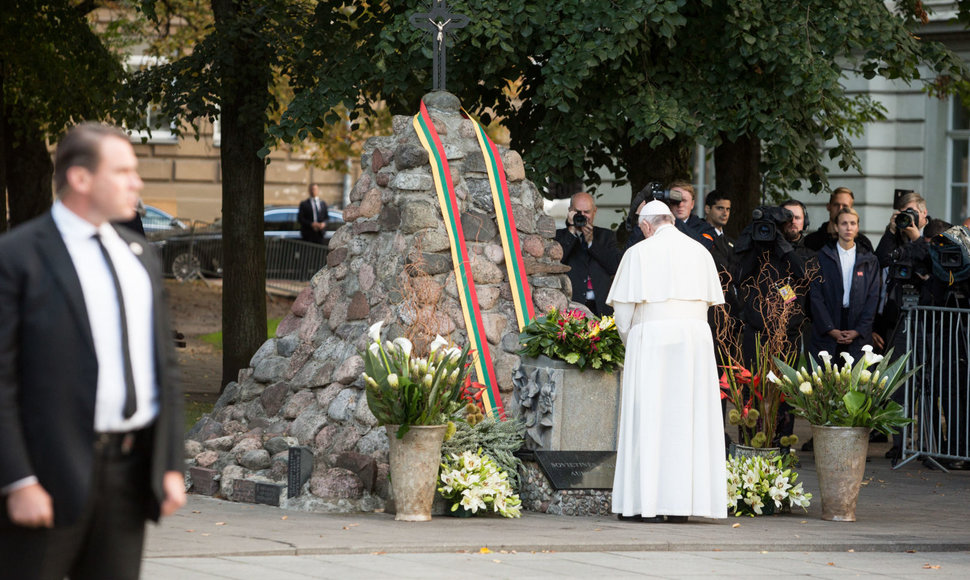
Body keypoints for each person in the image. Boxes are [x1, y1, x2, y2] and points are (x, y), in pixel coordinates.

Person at [0, 123, 185, 579]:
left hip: (128, 477)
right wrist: (18, 480)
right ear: (80, 179)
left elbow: (164, 368)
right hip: (45, 475)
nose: (136, 182)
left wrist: (169, 464)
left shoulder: (140, 255)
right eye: (122, 171)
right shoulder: (18, 257)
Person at [607, 200, 727, 524]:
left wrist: (630, 342)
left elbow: (621, 316)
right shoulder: (701, 252)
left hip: (651, 340)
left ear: (646, 226)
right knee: (687, 422)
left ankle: (641, 504)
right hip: (694, 344)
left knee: (648, 419)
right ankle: (680, 507)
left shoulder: (638, 253)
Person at [808, 208, 881, 360]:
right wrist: (830, 329)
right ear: (836, 227)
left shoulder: (869, 260)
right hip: (829, 323)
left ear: (857, 227)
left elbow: (873, 297)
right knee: (826, 378)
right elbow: (815, 296)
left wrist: (859, 330)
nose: (848, 227)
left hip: (857, 324)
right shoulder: (821, 257)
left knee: (856, 379)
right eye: (844, 223)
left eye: (853, 223)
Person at [555, 191, 622, 316]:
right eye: (578, 212)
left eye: (587, 212)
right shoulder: (560, 236)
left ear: (594, 212)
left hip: (601, 308)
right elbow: (557, 261)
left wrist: (591, 242)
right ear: (570, 211)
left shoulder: (606, 236)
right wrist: (571, 232)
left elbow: (614, 267)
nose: (582, 216)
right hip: (571, 306)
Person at [803, 187, 873, 252]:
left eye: (845, 206)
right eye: (836, 205)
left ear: (851, 209)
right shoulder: (811, 241)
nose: (840, 209)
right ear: (828, 207)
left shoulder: (863, 243)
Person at [669, 180, 717, 250]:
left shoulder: (704, 227)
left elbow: (705, 246)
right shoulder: (657, 223)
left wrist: (676, 222)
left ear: (692, 204)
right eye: (675, 200)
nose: (680, 205)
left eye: (684, 200)